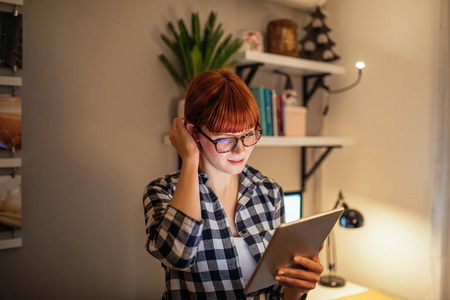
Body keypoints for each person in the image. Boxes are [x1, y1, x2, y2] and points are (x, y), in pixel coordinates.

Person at [143, 70, 323, 299]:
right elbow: (177, 256)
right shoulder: (162, 192)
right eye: (225, 139)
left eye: (249, 134)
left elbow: (278, 293)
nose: (241, 150)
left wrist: (296, 286)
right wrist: (189, 158)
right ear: (192, 132)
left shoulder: (269, 192)